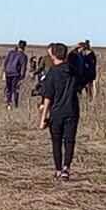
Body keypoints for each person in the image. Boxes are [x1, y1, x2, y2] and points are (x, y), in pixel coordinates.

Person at [37, 43, 84, 180]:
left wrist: (43, 118)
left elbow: (48, 98)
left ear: (53, 55)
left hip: (57, 112)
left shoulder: (53, 72)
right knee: (69, 141)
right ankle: (66, 168)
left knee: (56, 142)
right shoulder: (73, 71)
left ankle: (58, 170)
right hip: (72, 110)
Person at [3, 41, 28, 108]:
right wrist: (22, 77)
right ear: (24, 47)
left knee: (8, 88)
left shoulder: (10, 53)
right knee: (15, 89)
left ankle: (8, 103)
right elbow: (23, 67)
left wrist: (4, 72)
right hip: (15, 74)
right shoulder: (23, 56)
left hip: (8, 72)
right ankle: (14, 105)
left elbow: (5, 62)